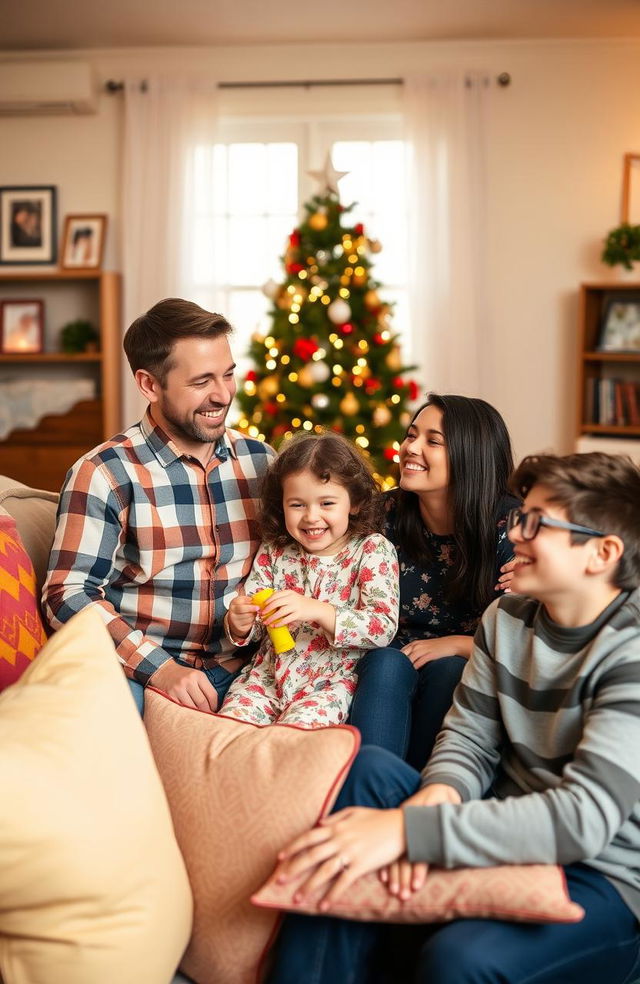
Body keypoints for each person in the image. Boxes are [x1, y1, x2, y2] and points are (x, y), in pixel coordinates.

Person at [267, 450, 640, 984]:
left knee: (460, 959)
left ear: (601, 553)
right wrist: (436, 796)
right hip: (498, 825)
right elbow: (468, 741)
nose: (515, 536)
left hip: (598, 874)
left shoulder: (630, 652)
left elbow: (583, 818)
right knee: (370, 770)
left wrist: (416, 831)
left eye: (537, 524)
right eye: (519, 519)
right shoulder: (506, 618)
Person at [42, 297, 275, 714]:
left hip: (253, 670)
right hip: (148, 671)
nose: (223, 395)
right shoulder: (104, 473)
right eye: (202, 382)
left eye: (228, 374)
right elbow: (67, 594)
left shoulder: (263, 462)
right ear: (150, 384)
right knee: (105, 732)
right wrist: (161, 670)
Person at [349, 393, 518, 768]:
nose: (411, 448)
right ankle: (372, 791)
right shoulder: (381, 514)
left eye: (432, 440)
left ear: (469, 454)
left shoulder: (514, 528)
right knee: (385, 663)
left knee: (450, 672)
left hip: (465, 660)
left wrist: (457, 644)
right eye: (411, 435)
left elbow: (527, 639)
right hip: (386, 658)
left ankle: (421, 799)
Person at [220, 432, 399, 727]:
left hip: (330, 686)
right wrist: (239, 623)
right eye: (297, 505)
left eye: (326, 503)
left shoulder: (372, 550)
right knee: (229, 732)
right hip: (266, 679)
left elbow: (382, 627)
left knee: (294, 740)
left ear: (354, 503)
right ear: (282, 505)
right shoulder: (275, 550)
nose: (311, 517)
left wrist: (316, 609)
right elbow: (252, 616)